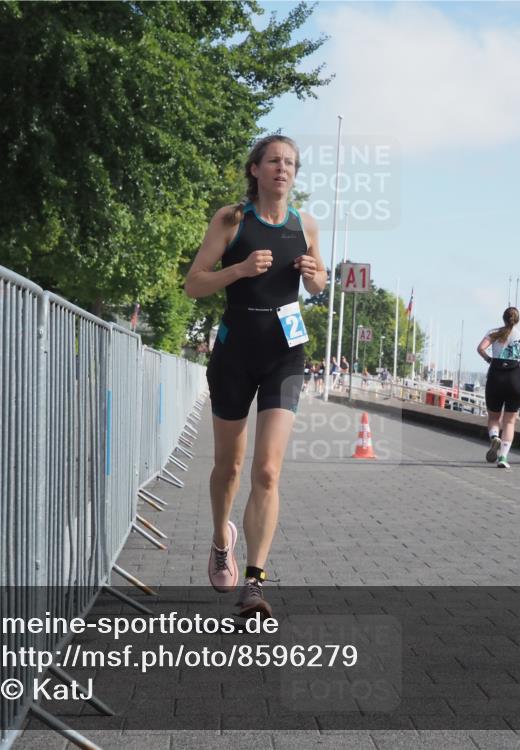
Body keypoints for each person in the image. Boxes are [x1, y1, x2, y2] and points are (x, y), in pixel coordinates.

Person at [184, 135, 326, 618]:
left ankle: (254, 582)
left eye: (290, 163)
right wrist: (239, 269)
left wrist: (313, 277)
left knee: (267, 470)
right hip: (235, 353)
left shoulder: (305, 224)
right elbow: (193, 283)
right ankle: (222, 536)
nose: (282, 169)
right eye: (274, 161)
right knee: (229, 467)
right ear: (255, 169)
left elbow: (320, 282)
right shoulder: (231, 219)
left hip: (286, 354)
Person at [476, 307, 520, 469]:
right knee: (509, 421)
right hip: (515, 378)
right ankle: (503, 457)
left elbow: (480, 348)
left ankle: (494, 436)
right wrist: (517, 362)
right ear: (517, 320)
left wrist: (490, 359)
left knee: (494, 418)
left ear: (503, 318)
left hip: (496, 375)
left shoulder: (494, 333)